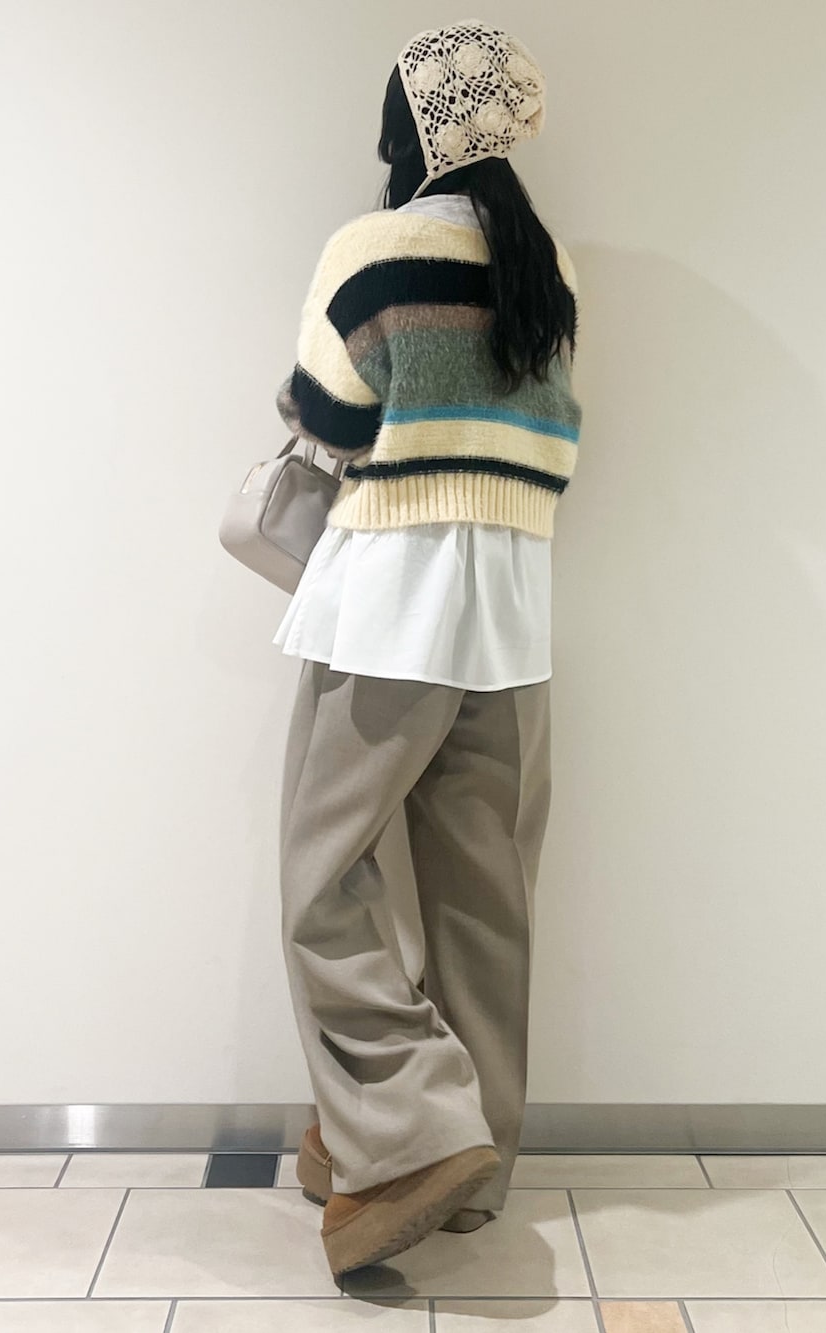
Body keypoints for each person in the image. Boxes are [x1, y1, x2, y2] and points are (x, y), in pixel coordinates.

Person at [271, 20, 582, 1277]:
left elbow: (328, 415)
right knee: (484, 896)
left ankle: (406, 1134)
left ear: (412, 128)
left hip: (391, 602)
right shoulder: (547, 271)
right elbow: (549, 448)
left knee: (321, 880)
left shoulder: (373, 249)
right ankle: (472, 1164)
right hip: (511, 613)